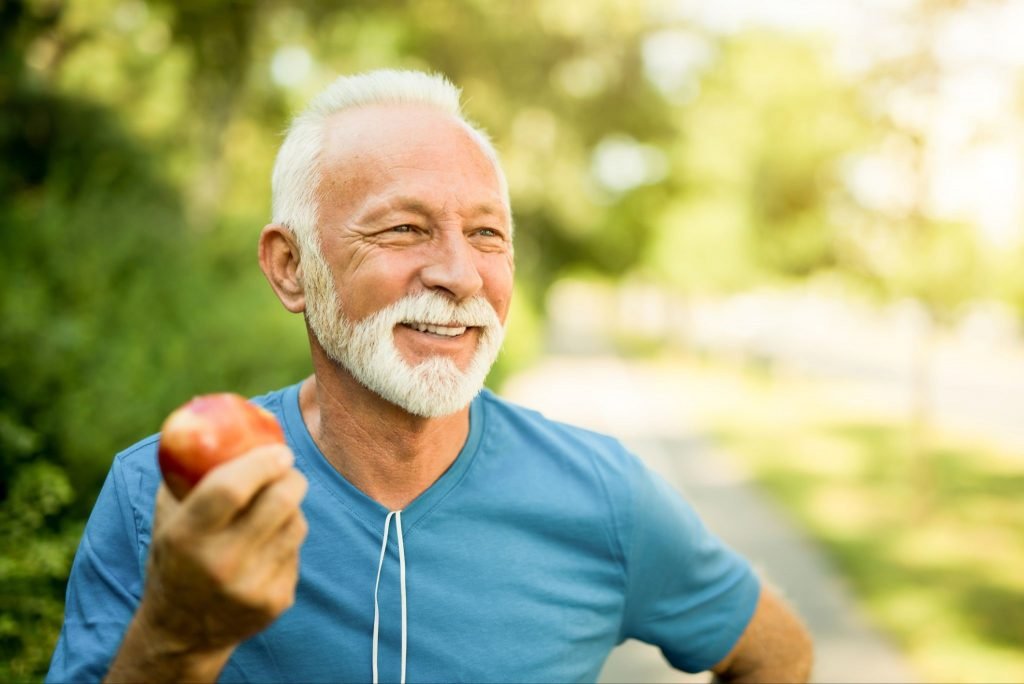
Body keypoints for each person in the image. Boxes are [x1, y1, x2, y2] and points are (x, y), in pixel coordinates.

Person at [46, 69, 813, 683]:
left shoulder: (605, 496)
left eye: (486, 234)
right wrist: (179, 640)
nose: (458, 275)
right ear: (291, 269)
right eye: (404, 228)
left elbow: (778, 655)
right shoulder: (163, 494)